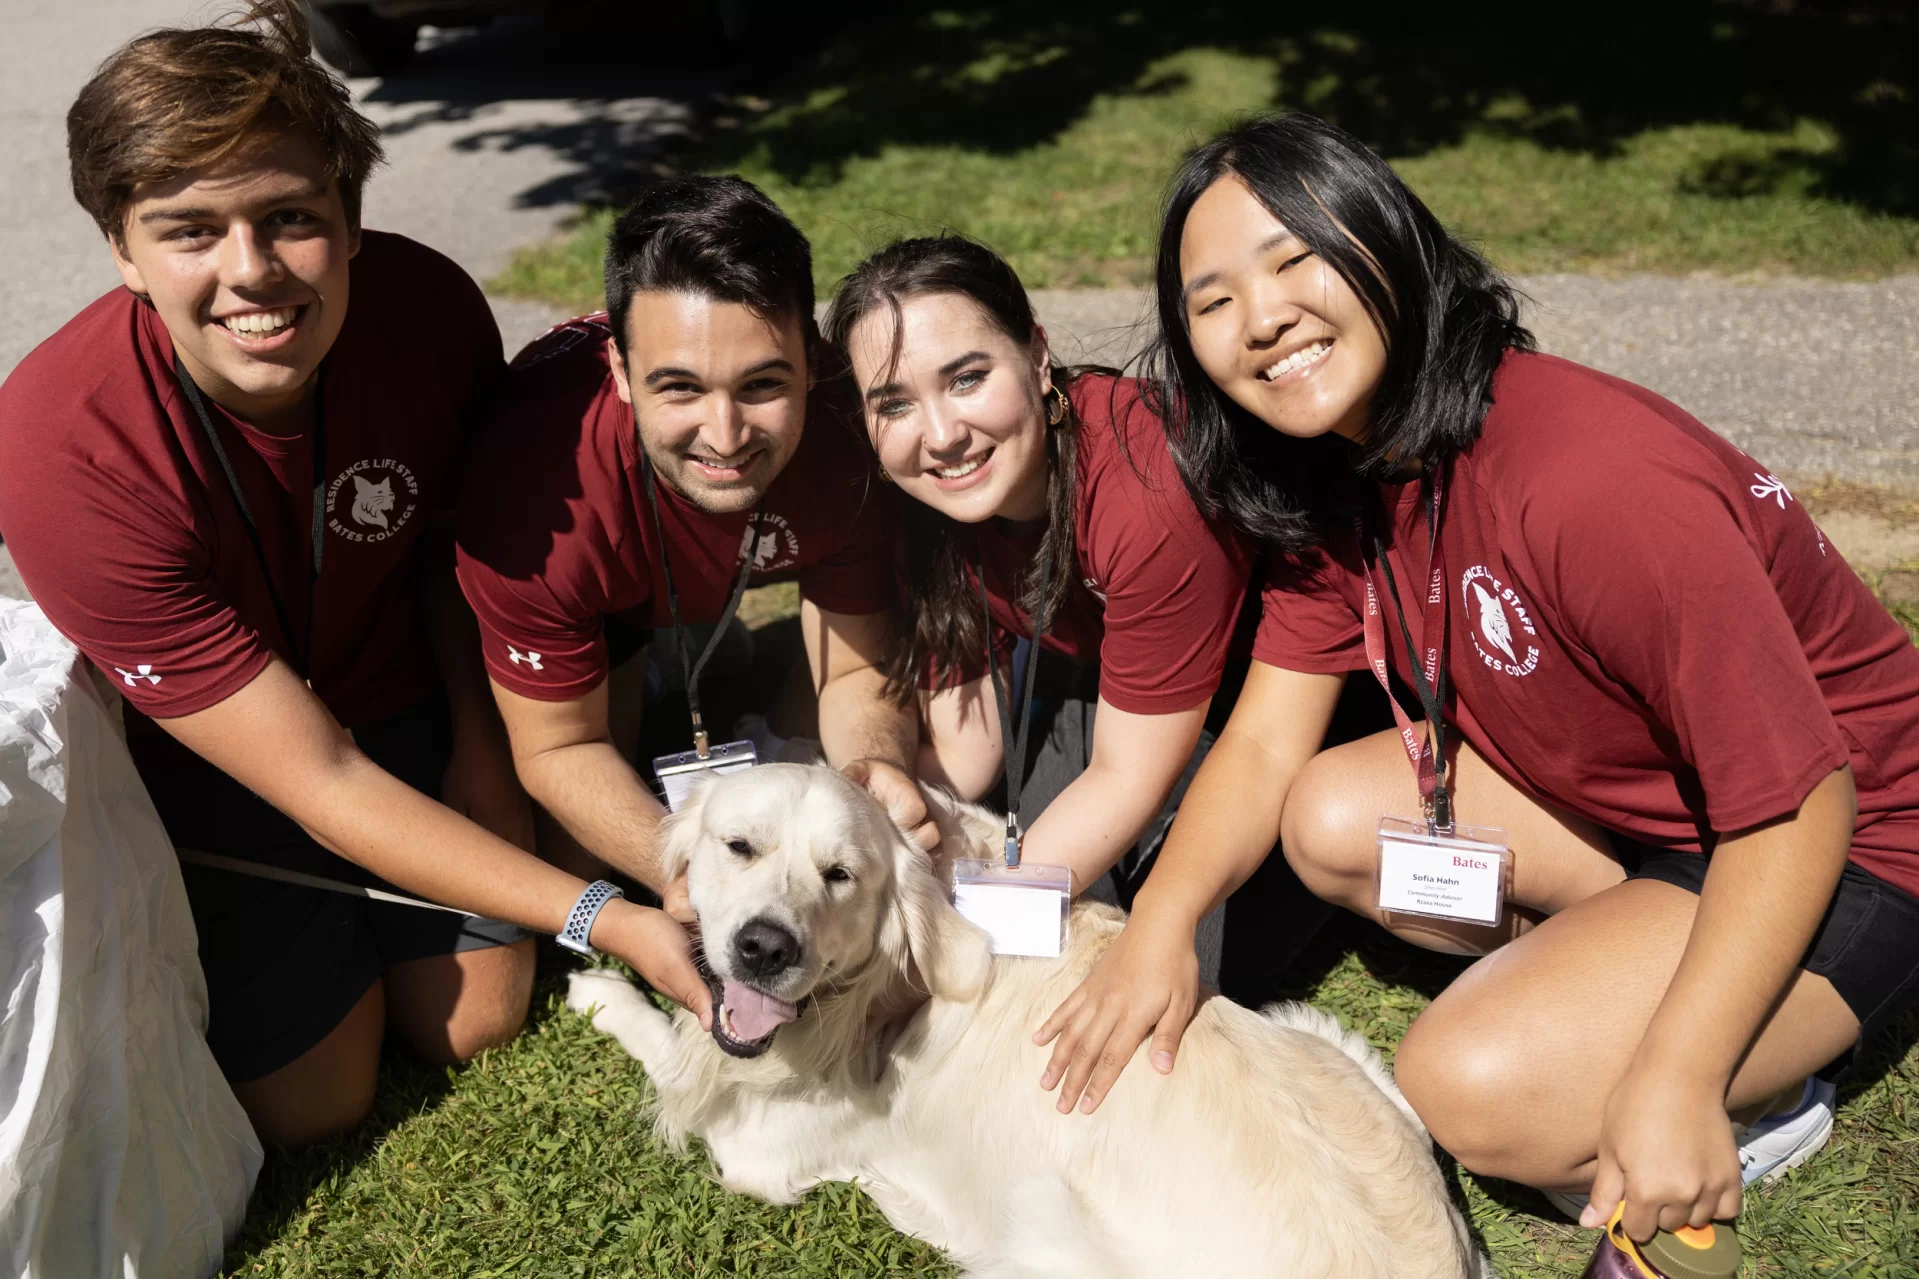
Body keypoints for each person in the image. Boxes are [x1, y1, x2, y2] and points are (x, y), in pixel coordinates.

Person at [1037, 111, 1919, 1243]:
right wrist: (1160, 920)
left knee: (1467, 1085)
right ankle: (1624, 975)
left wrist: (1677, 1075)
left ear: (1388, 241)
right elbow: (1262, 743)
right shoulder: (1340, 473)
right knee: (1328, 818)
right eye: (1210, 304)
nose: (1260, 321)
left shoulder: (1587, 478)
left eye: (1293, 260)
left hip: (1845, 842)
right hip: (1653, 815)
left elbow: (1801, 801)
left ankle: (1760, 1091)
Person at [0, 0, 710, 1150]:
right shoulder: (56, 449)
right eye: (189, 231)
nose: (251, 276)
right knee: (312, 1100)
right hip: (231, 759)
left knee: (476, 1020)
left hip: (409, 691)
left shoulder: (426, 310)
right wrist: (604, 917)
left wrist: (486, 762)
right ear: (121, 249)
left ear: (352, 215)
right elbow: (317, 776)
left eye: (290, 218)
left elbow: (458, 554)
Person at [822, 235, 1342, 994]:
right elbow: (965, 751)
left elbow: (1127, 774)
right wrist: (867, 843)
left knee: (1181, 964)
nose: (939, 435)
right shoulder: (923, 499)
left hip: (1273, 711)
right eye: (893, 403)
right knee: (1043, 890)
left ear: (1036, 356)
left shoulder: (1145, 484)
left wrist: (943, 932)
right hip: (1123, 695)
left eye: (966, 378)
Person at [454, 176, 928, 957]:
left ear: (812, 362)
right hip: (594, 593)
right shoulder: (529, 489)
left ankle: (711, 662)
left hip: (672, 567)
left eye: (763, 384)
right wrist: (682, 870)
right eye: (678, 387)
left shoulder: (853, 435)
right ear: (617, 370)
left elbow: (852, 673)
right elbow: (559, 748)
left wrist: (870, 764)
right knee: (570, 871)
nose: (726, 431)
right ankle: (661, 654)